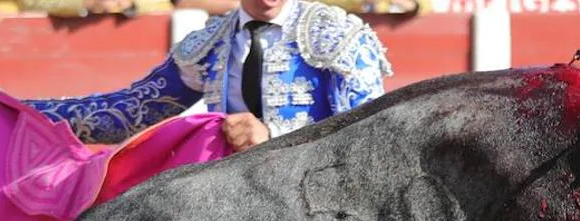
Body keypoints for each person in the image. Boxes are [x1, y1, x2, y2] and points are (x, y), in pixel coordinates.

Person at [21, 0, 393, 152]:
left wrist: (275, 135)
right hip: (230, 202)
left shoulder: (338, 36)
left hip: (322, 209)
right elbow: (130, 111)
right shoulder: (209, 45)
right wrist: (25, 115)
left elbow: (370, 140)